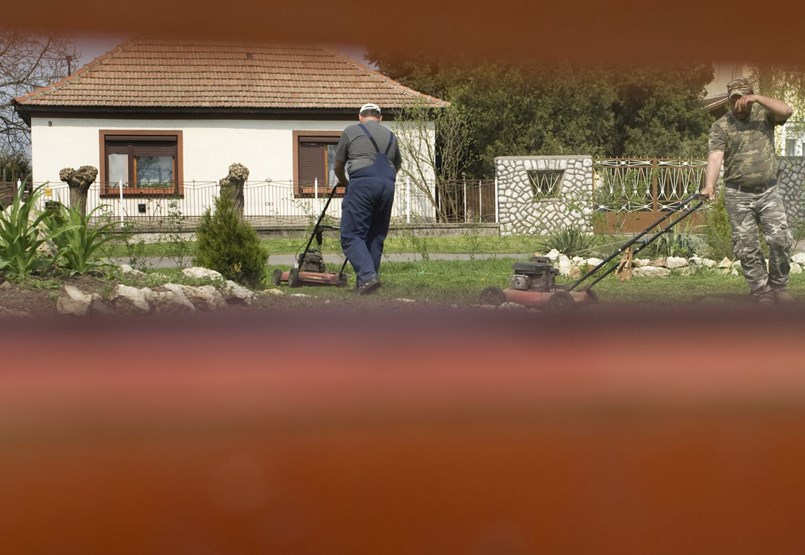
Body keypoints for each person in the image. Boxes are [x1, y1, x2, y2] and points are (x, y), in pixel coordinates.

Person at [701, 77, 795, 305]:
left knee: (780, 240)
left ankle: (779, 286)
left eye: (744, 98)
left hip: (769, 192)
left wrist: (757, 98)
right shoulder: (721, 126)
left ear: (750, 96)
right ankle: (762, 292)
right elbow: (715, 157)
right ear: (729, 100)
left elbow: (788, 110)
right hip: (738, 195)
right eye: (735, 99)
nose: (739, 104)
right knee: (747, 247)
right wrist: (710, 185)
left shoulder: (765, 116)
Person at [334, 103, 402, 295]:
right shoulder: (391, 135)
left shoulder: (351, 131)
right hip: (387, 186)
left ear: (360, 117)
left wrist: (344, 182)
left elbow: (338, 165)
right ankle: (368, 283)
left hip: (362, 183)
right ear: (380, 118)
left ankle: (367, 276)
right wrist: (384, 180)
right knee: (376, 235)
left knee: (352, 235)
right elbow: (397, 165)